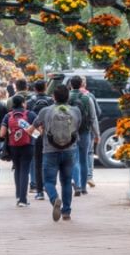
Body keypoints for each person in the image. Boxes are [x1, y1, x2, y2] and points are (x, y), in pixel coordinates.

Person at [31, 85, 80, 221]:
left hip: (50, 150)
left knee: (49, 181)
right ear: (68, 97)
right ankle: (66, 212)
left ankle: (54, 199)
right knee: (66, 181)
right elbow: (77, 128)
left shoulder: (45, 111)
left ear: (53, 97)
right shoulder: (76, 111)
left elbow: (32, 128)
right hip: (70, 150)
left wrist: (40, 133)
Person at [0, 95, 35, 207]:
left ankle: (18, 196)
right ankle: (23, 200)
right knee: (25, 170)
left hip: (13, 146)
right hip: (28, 145)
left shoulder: (8, 116)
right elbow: (39, 132)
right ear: (23, 103)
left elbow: (1, 133)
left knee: (17, 169)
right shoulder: (30, 115)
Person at [68, 76, 99, 196]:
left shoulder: (67, 97)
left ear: (70, 85)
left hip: (71, 132)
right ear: (82, 84)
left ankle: (77, 185)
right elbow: (93, 117)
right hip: (85, 131)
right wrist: (97, 134)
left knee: (74, 159)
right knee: (84, 158)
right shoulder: (87, 98)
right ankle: (84, 187)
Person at [26, 80, 54, 201]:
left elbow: (28, 120)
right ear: (45, 87)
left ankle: (39, 191)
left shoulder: (30, 102)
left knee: (37, 163)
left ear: (35, 89)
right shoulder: (51, 101)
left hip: (36, 135)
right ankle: (50, 187)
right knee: (50, 163)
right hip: (50, 135)